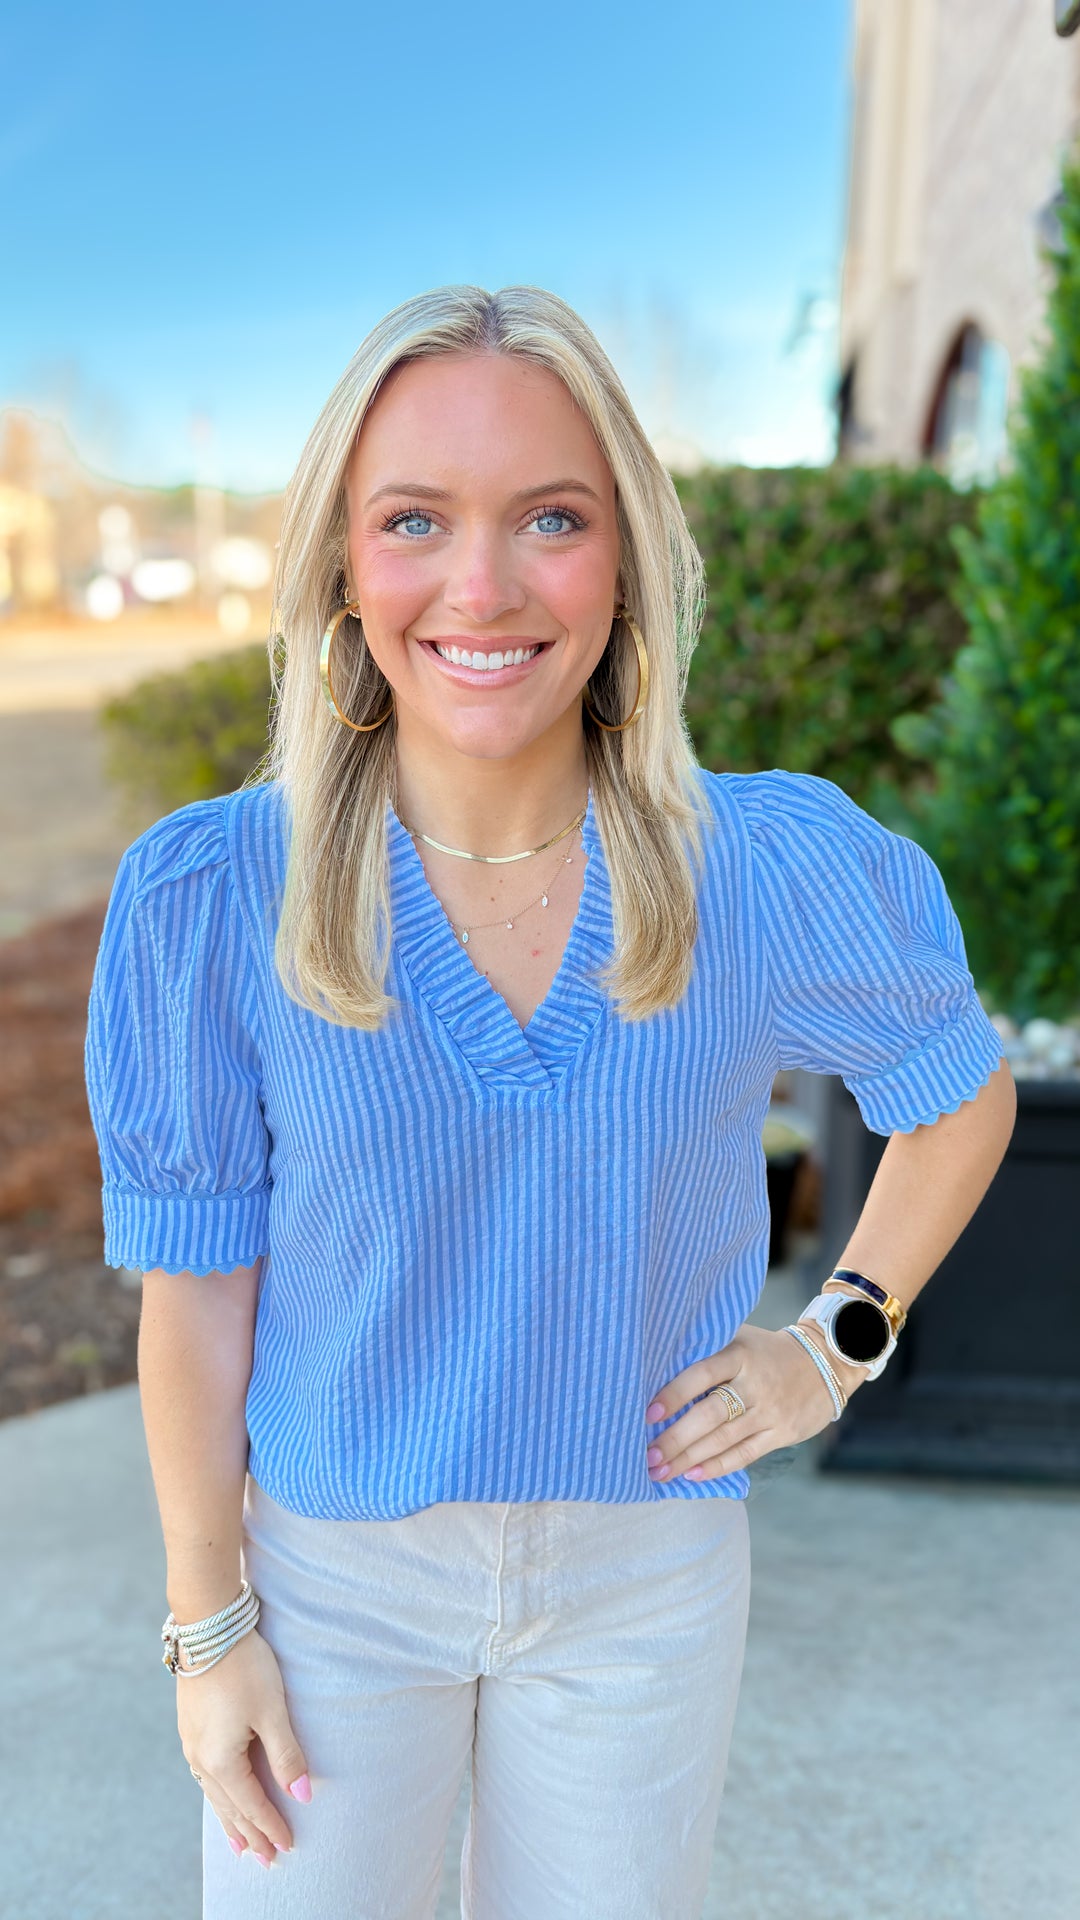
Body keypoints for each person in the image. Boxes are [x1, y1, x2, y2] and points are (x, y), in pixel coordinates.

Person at [84, 284, 1017, 1920]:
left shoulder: (765, 869)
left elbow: (958, 1093)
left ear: (628, 560)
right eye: (414, 520)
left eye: (554, 518)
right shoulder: (219, 898)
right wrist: (206, 1624)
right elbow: (200, 1298)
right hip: (329, 1587)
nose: (483, 585)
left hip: (643, 1582)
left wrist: (834, 1344)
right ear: (342, 566)